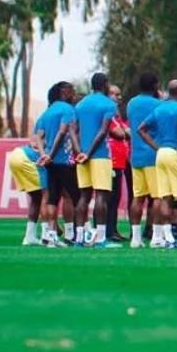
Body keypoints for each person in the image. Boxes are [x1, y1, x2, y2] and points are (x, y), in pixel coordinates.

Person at [137, 79, 177, 248]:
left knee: (166, 197)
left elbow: (141, 129)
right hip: (175, 152)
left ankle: (168, 238)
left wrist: (157, 147)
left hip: (161, 154)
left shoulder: (159, 108)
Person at [74, 71, 119, 247]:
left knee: (83, 197)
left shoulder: (80, 104)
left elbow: (74, 131)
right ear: (105, 84)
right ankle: (100, 238)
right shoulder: (109, 104)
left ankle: (79, 238)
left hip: (82, 157)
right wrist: (90, 152)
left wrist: (80, 152)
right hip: (100, 155)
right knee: (101, 196)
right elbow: (103, 130)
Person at [126, 72, 163, 248]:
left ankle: (135, 238)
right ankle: (156, 236)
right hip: (153, 155)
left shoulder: (131, 103)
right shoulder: (158, 105)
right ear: (155, 86)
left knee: (138, 197)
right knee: (157, 197)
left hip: (136, 156)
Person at [40, 80, 80, 242]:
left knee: (53, 198)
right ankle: (77, 233)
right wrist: (51, 154)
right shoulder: (68, 109)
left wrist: (45, 155)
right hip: (64, 160)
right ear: (63, 92)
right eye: (71, 90)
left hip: (51, 163)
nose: (74, 93)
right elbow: (63, 132)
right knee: (76, 197)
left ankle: (51, 234)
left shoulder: (47, 112)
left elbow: (39, 136)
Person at [6, 114, 47, 245]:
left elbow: (34, 141)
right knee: (46, 196)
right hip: (27, 157)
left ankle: (29, 236)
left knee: (36, 198)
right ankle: (47, 235)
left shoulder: (41, 121)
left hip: (16, 154)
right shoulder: (53, 124)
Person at [107, 90, 131, 241]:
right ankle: (107, 231)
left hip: (119, 162)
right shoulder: (108, 116)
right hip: (111, 161)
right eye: (115, 94)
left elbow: (127, 131)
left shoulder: (117, 118)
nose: (119, 97)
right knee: (109, 197)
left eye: (119, 94)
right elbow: (121, 133)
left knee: (115, 197)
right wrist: (125, 132)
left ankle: (112, 229)